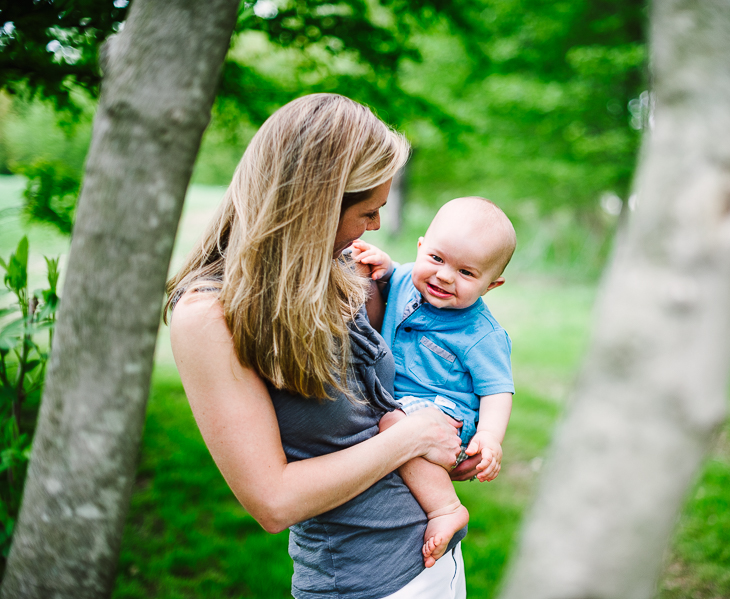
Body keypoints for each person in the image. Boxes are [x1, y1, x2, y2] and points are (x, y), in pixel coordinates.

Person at [166, 94, 469, 599]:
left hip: (436, 565)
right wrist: (413, 437)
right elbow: (273, 501)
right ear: (315, 208)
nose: (373, 226)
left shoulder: (336, 270)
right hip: (361, 586)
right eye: (367, 211)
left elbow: (367, 410)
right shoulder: (209, 316)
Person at [351, 196, 516, 568]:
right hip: (406, 403)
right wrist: (386, 265)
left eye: (467, 273)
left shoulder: (480, 333)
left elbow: (497, 389)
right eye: (437, 259)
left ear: (492, 284)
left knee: (395, 423)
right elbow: (396, 273)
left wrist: (489, 438)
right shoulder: (409, 279)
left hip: (449, 416)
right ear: (421, 248)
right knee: (394, 419)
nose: (443, 276)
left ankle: (446, 509)